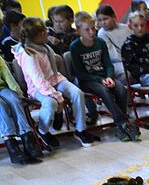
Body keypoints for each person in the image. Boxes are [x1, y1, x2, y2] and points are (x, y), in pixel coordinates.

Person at [13, 17, 100, 147]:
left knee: (78, 93)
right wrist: (58, 96)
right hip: (38, 88)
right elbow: (39, 81)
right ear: (40, 35)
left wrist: (58, 89)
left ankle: (80, 130)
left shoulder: (45, 47)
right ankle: (42, 131)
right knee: (50, 102)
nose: (48, 33)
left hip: (55, 80)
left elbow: (53, 72)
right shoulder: (28, 54)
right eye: (45, 31)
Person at [70, 14, 139, 142]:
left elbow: (108, 64)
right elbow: (80, 74)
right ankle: (123, 124)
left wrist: (109, 77)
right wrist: (100, 80)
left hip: (104, 77)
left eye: (93, 28)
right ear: (79, 31)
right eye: (87, 29)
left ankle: (121, 127)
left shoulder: (100, 42)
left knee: (121, 90)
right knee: (104, 91)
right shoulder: (75, 47)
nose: (91, 32)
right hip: (88, 81)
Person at [1, 57, 42, 164]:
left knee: (14, 99)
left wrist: (18, 94)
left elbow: (7, 75)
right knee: (1, 106)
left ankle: (27, 138)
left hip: (2, 88)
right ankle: (10, 142)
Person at [96, 5, 131, 84]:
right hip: (116, 63)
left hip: (130, 60)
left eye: (105, 19)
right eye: (100, 20)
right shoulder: (102, 33)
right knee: (128, 74)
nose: (103, 23)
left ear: (113, 17)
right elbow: (113, 56)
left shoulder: (125, 28)